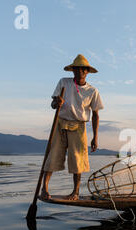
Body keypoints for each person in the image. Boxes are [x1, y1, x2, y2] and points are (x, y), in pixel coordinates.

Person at [41, 54, 104, 201]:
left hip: (79, 126)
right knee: (52, 155)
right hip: (60, 122)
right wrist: (57, 103)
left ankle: (75, 192)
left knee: (78, 160)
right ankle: (44, 189)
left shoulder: (92, 91)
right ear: (73, 70)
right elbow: (52, 105)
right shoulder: (64, 83)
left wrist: (95, 137)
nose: (80, 71)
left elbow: (96, 115)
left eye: (83, 69)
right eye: (77, 69)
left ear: (87, 72)